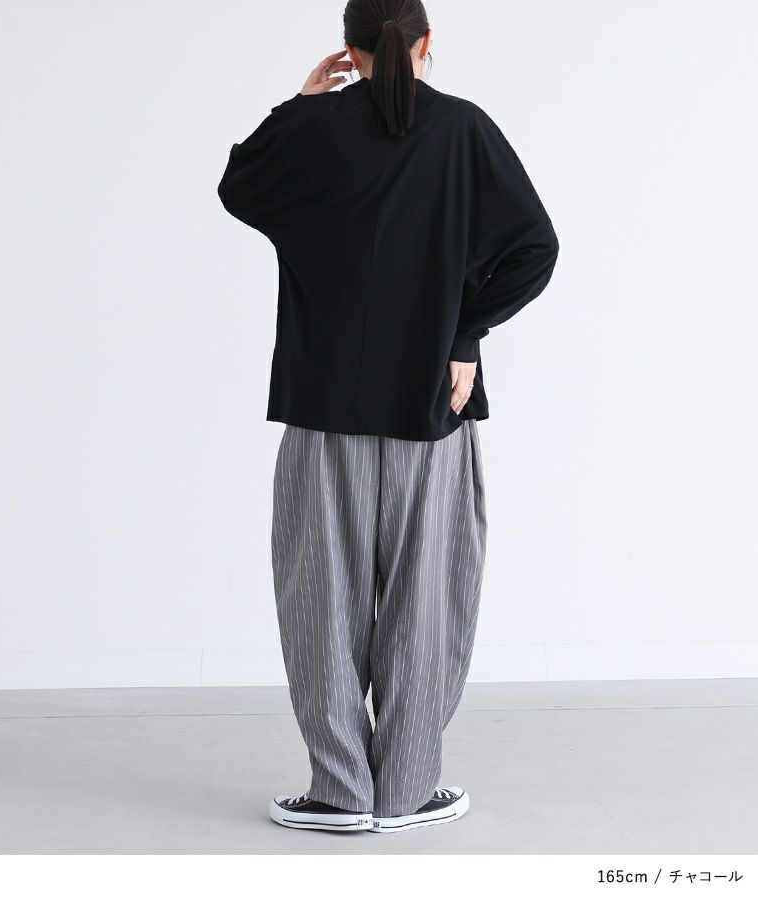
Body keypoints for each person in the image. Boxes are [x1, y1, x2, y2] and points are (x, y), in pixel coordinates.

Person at [217, 0, 558, 834]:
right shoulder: (463, 130)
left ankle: (340, 791)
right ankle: (405, 789)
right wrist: (464, 336)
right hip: (430, 406)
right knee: (427, 598)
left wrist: (301, 105)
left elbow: (239, 187)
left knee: (319, 597)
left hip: (323, 408)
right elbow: (536, 247)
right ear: (427, 43)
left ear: (348, 50)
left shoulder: (314, 132)